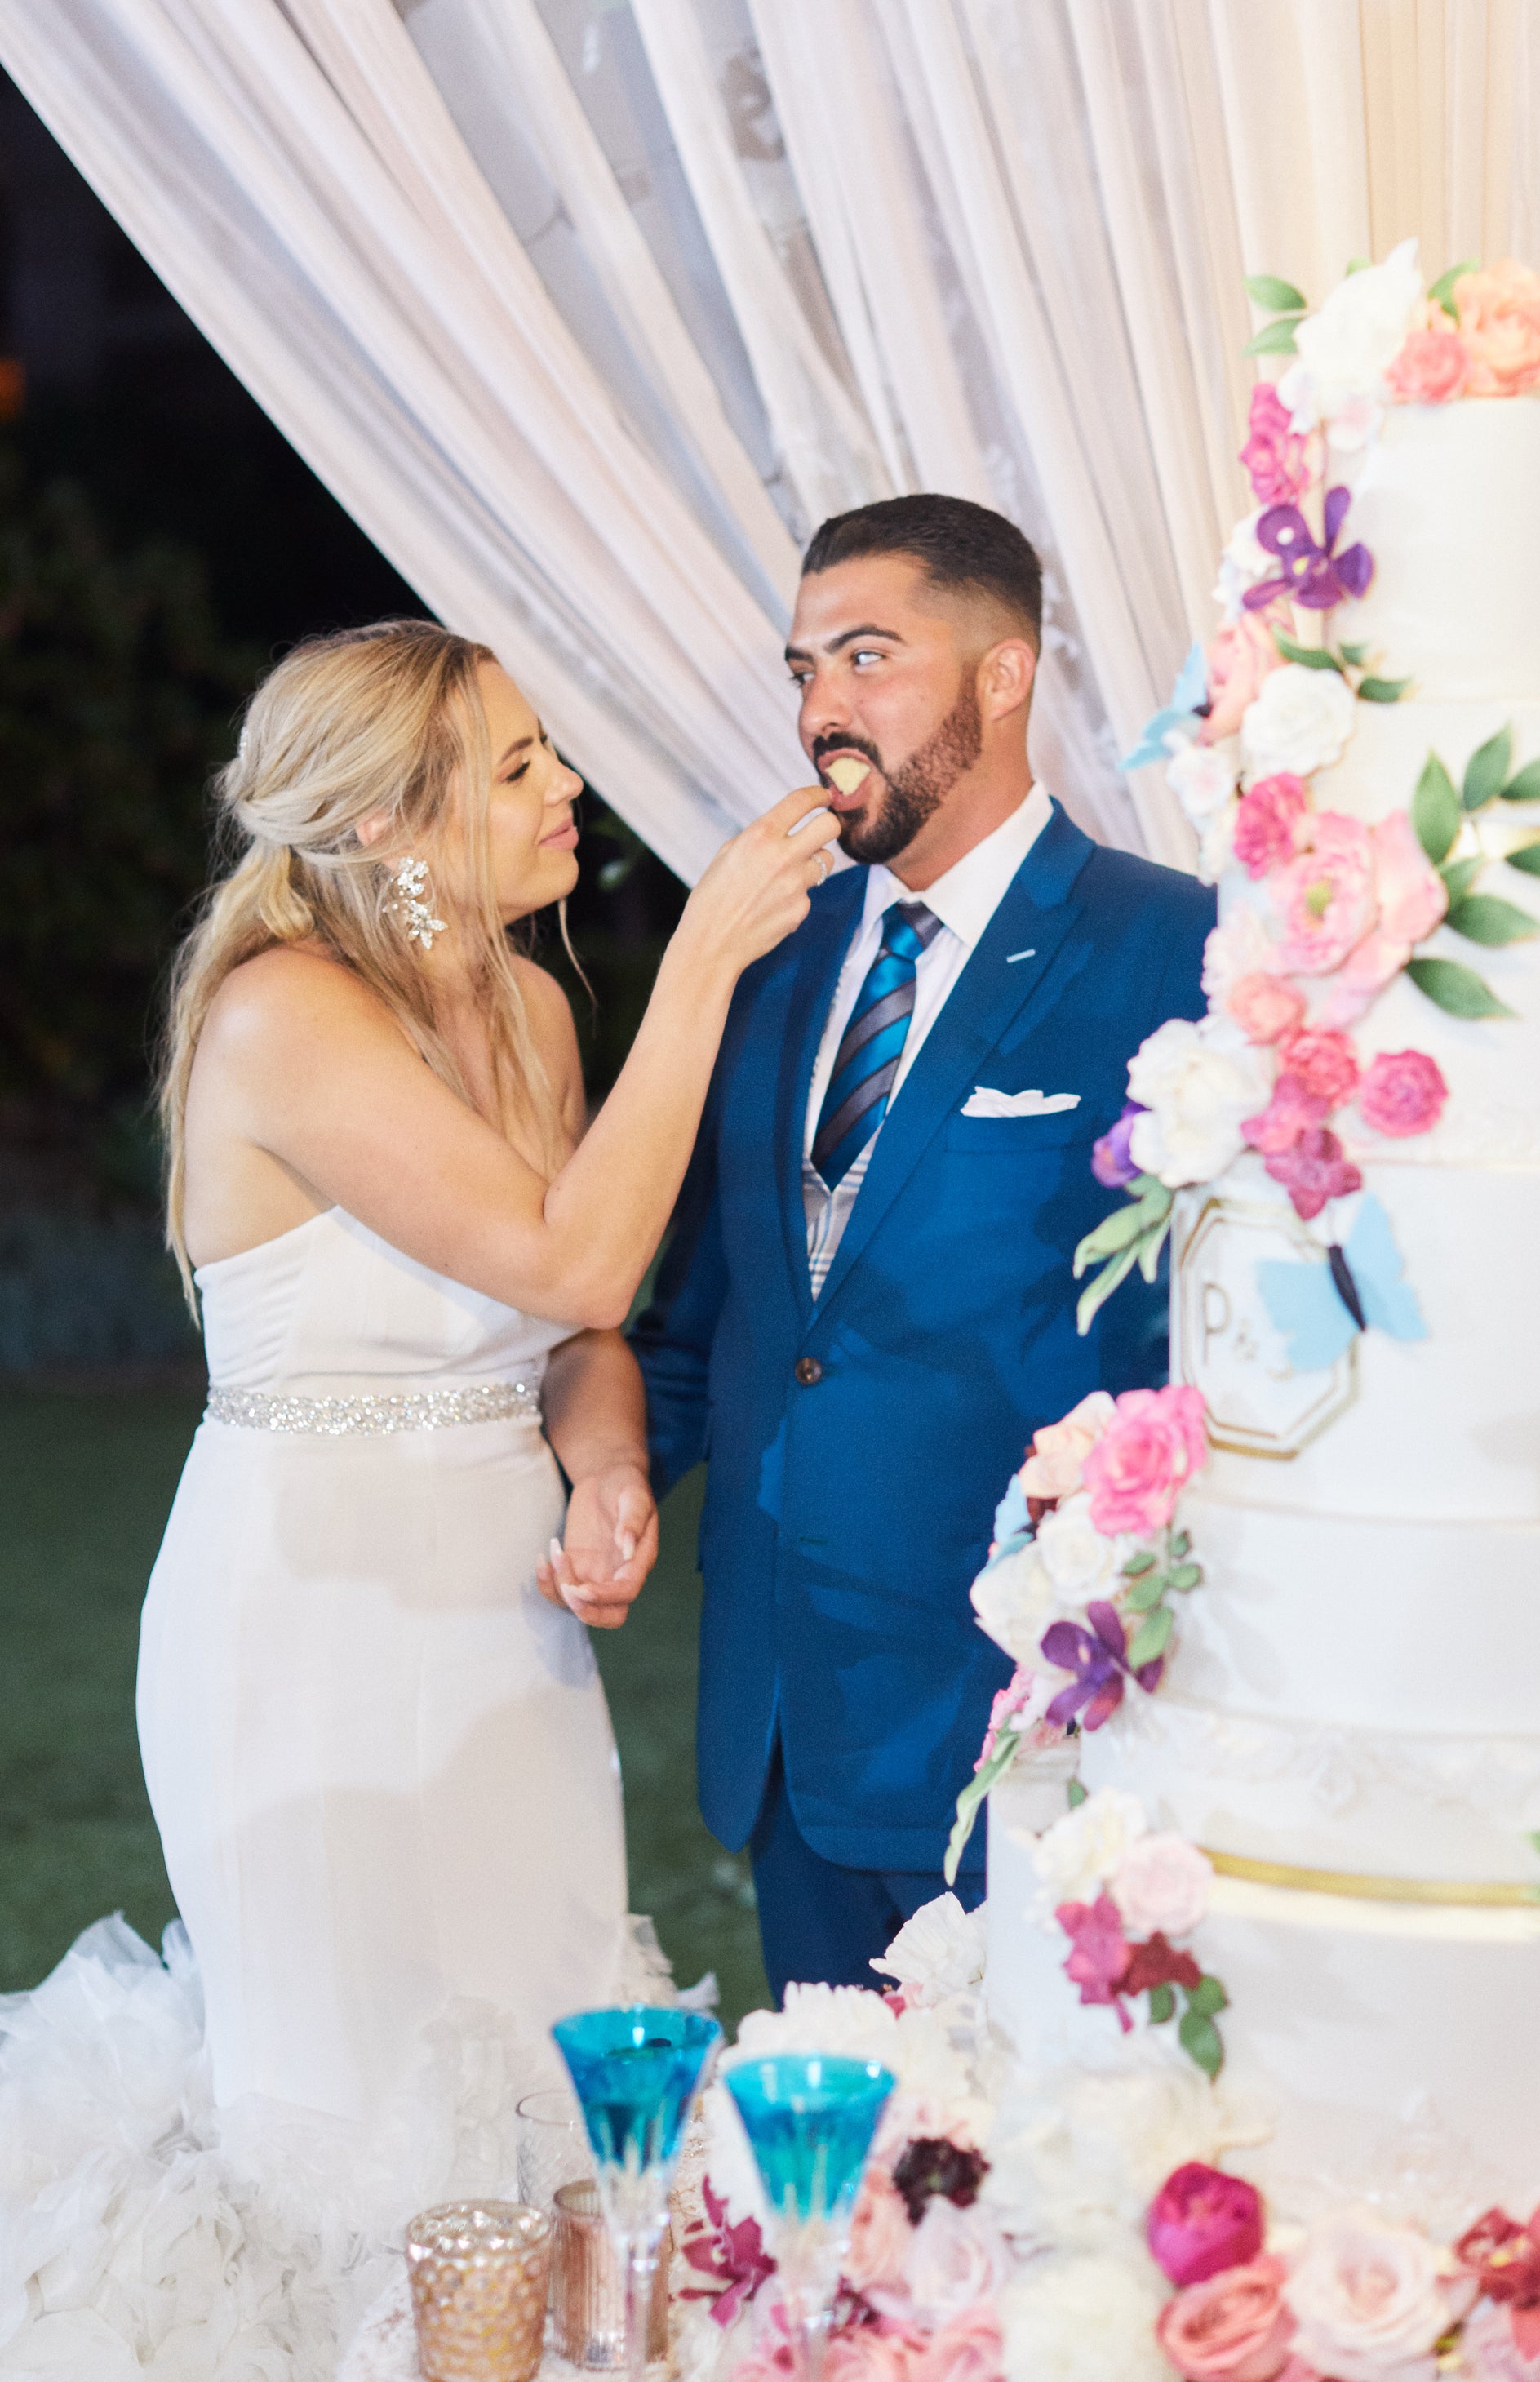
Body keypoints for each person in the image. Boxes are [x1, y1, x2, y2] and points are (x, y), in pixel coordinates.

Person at [0, 620, 834, 2372]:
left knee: (534, 2060)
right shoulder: (285, 1016)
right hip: (310, 1630)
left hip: (503, 1636)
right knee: (349, 2113)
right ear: (386, 823)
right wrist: (701, 960)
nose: (567, 786)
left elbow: (577, 1325)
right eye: (519, 767)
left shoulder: (529, 1007)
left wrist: (608, 1464)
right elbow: (574, 1246)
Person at [632, 496, 1214, 2003]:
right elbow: (708, 1318)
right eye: (804, 668)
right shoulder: (768, 955)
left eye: (867, 657)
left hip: (1023, 1716)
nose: (821, 709)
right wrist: (599, 1477)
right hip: (785, 1717)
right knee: (829, 2148)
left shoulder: (1176, 951)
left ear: (1001, 675)